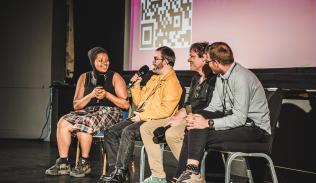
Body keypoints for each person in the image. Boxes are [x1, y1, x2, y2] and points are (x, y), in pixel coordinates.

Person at [175, 42, 271, 183]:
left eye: (208, 62)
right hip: (239, 124)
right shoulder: (221, 76)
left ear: (217, 62)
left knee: (202, 126)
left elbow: (239, 118)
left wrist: (207, 122)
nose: (207, 65)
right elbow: (214, 107)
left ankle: (189, 173)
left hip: (255, 129)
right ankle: (189, 173)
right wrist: (197, 117)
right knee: (196, 123)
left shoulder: (241, 77)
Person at [100, 46, 183, 183]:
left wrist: (142, 116)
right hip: (141, 116)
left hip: (155, 120)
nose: (153, 62)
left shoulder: (173, 83)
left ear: (166, 62)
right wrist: (136, 86)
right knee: (110, 132)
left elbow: (166, 111)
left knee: (128, 131)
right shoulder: (154, 78)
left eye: (156, 59)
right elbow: (140, 103)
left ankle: (120, 172)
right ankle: (117, 171)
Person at [45, 47, 129, 177]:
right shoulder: (84, 77)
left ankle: (84, 162)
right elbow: (76, 105)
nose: (105, 63)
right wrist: (90, 95)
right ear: (92, 62)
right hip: (88, 110)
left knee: (85, 122)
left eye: (107, 60)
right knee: (63, 121)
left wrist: (107, 95)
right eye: (100, 60)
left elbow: (125, 104)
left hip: (110, 111)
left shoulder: (115, 77)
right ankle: (63, 163)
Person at [140, 42, 217, 183]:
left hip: (200, 119)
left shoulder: (214, 79)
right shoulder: (195, 79)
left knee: (172, 134)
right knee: (146, 128)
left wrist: (182, 117)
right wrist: (178, 116)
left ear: (203, 59)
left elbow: (206, 105)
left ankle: (190, 174)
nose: (188, 59)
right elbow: (189, 104)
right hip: (187, 116)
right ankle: (160, 176)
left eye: (192, 56)